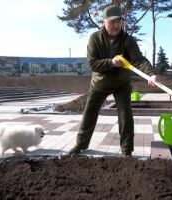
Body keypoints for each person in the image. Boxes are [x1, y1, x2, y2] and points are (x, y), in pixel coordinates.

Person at [68, 5, 159, 157]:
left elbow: (139, 60)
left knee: (125, 115)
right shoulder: (95, 38)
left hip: (121, 84)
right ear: (104, 21)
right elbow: (93, 64)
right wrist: (111, 62)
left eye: (119, 21)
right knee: (89, 113)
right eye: (112, 22)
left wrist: (151, 74)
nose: (116, 25)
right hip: (99, 84)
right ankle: (81, 144)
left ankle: (126, 150)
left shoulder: (128, 40)